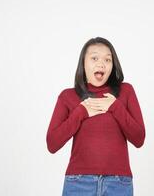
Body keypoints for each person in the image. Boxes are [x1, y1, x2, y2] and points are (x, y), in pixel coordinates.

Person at [46, 37, 146, 196]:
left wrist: (115, 107)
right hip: (78, 183)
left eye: (108, 59)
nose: (101, 63)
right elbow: (52, 143)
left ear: (113, 65)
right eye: (94, 58)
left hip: (118, 184)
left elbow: (139, 138)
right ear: (83, 63)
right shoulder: (68, 96)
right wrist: (81, 112)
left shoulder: (125, 91)